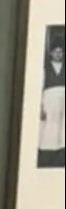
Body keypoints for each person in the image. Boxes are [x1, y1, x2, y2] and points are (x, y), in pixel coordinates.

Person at [39, 32, 65, 169]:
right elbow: (40, 87)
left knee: (62, 128)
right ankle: (47, 155)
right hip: (50, 100)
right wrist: (41, 106)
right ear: (51, 53)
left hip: (63, 101)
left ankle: (60, 155)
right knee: (50, 127)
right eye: (56, 52)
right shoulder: (45, 68)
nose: (58, 54)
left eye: (61, 52)